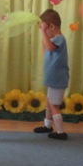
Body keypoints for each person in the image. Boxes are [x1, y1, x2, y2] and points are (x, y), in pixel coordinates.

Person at [32, 9, 70, 141]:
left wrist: (43, 32)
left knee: (54, 106)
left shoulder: (60, 39)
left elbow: (50, 48)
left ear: (52, 26)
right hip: (54, 79)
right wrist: (44, 33)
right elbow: (46, 51)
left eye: (45, 29)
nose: (44, 32)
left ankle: (60, 132)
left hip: (58, 79)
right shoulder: (53, 40)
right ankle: (47, 125)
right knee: (50, 103)